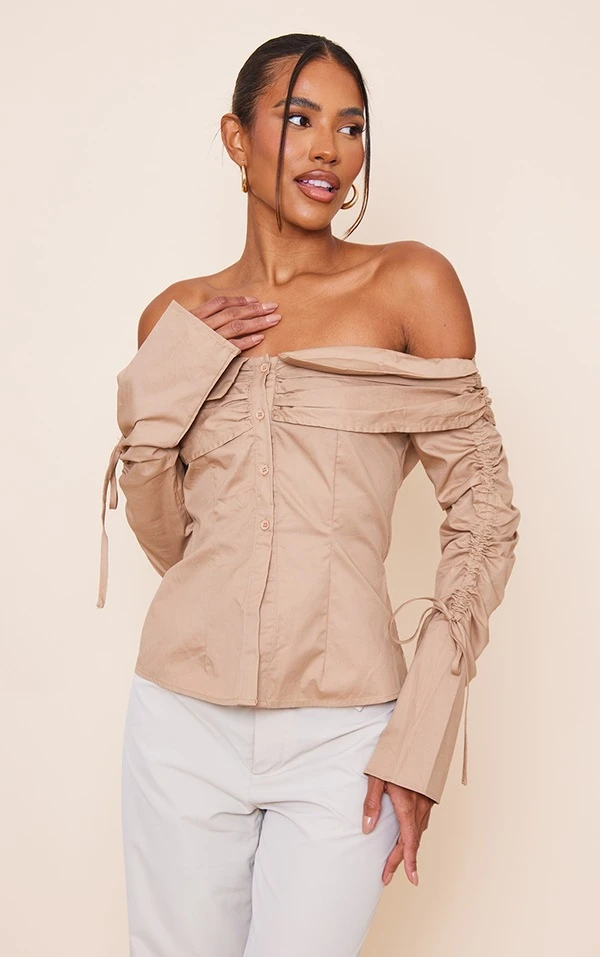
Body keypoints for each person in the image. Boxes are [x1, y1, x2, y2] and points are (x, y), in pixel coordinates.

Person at [96, 33, 521, 957]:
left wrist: (422, 737)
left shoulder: (410, 284)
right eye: (299, 119)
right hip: (180, 719)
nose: (329, 149)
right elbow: (174, 541)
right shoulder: (176, 315)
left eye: (351, 127)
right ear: (236, 137)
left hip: (346, 736)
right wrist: (178, 367)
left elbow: (484, 520)